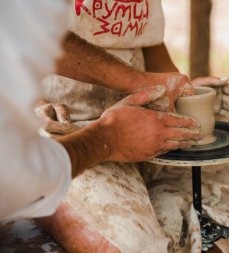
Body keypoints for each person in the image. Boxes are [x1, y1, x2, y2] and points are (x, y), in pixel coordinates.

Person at [32, 1, 229, 253]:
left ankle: (165, 204)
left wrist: (182, 90)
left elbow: (146, 42)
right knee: (131, 246)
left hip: (150, 116)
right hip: (72, 131)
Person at [0, 0, 201, 222]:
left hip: (142, 121)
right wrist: (33, 102)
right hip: (71, 130)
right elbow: (25, 29)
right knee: (128, 237)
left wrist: (188, 91)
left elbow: (147, 41)